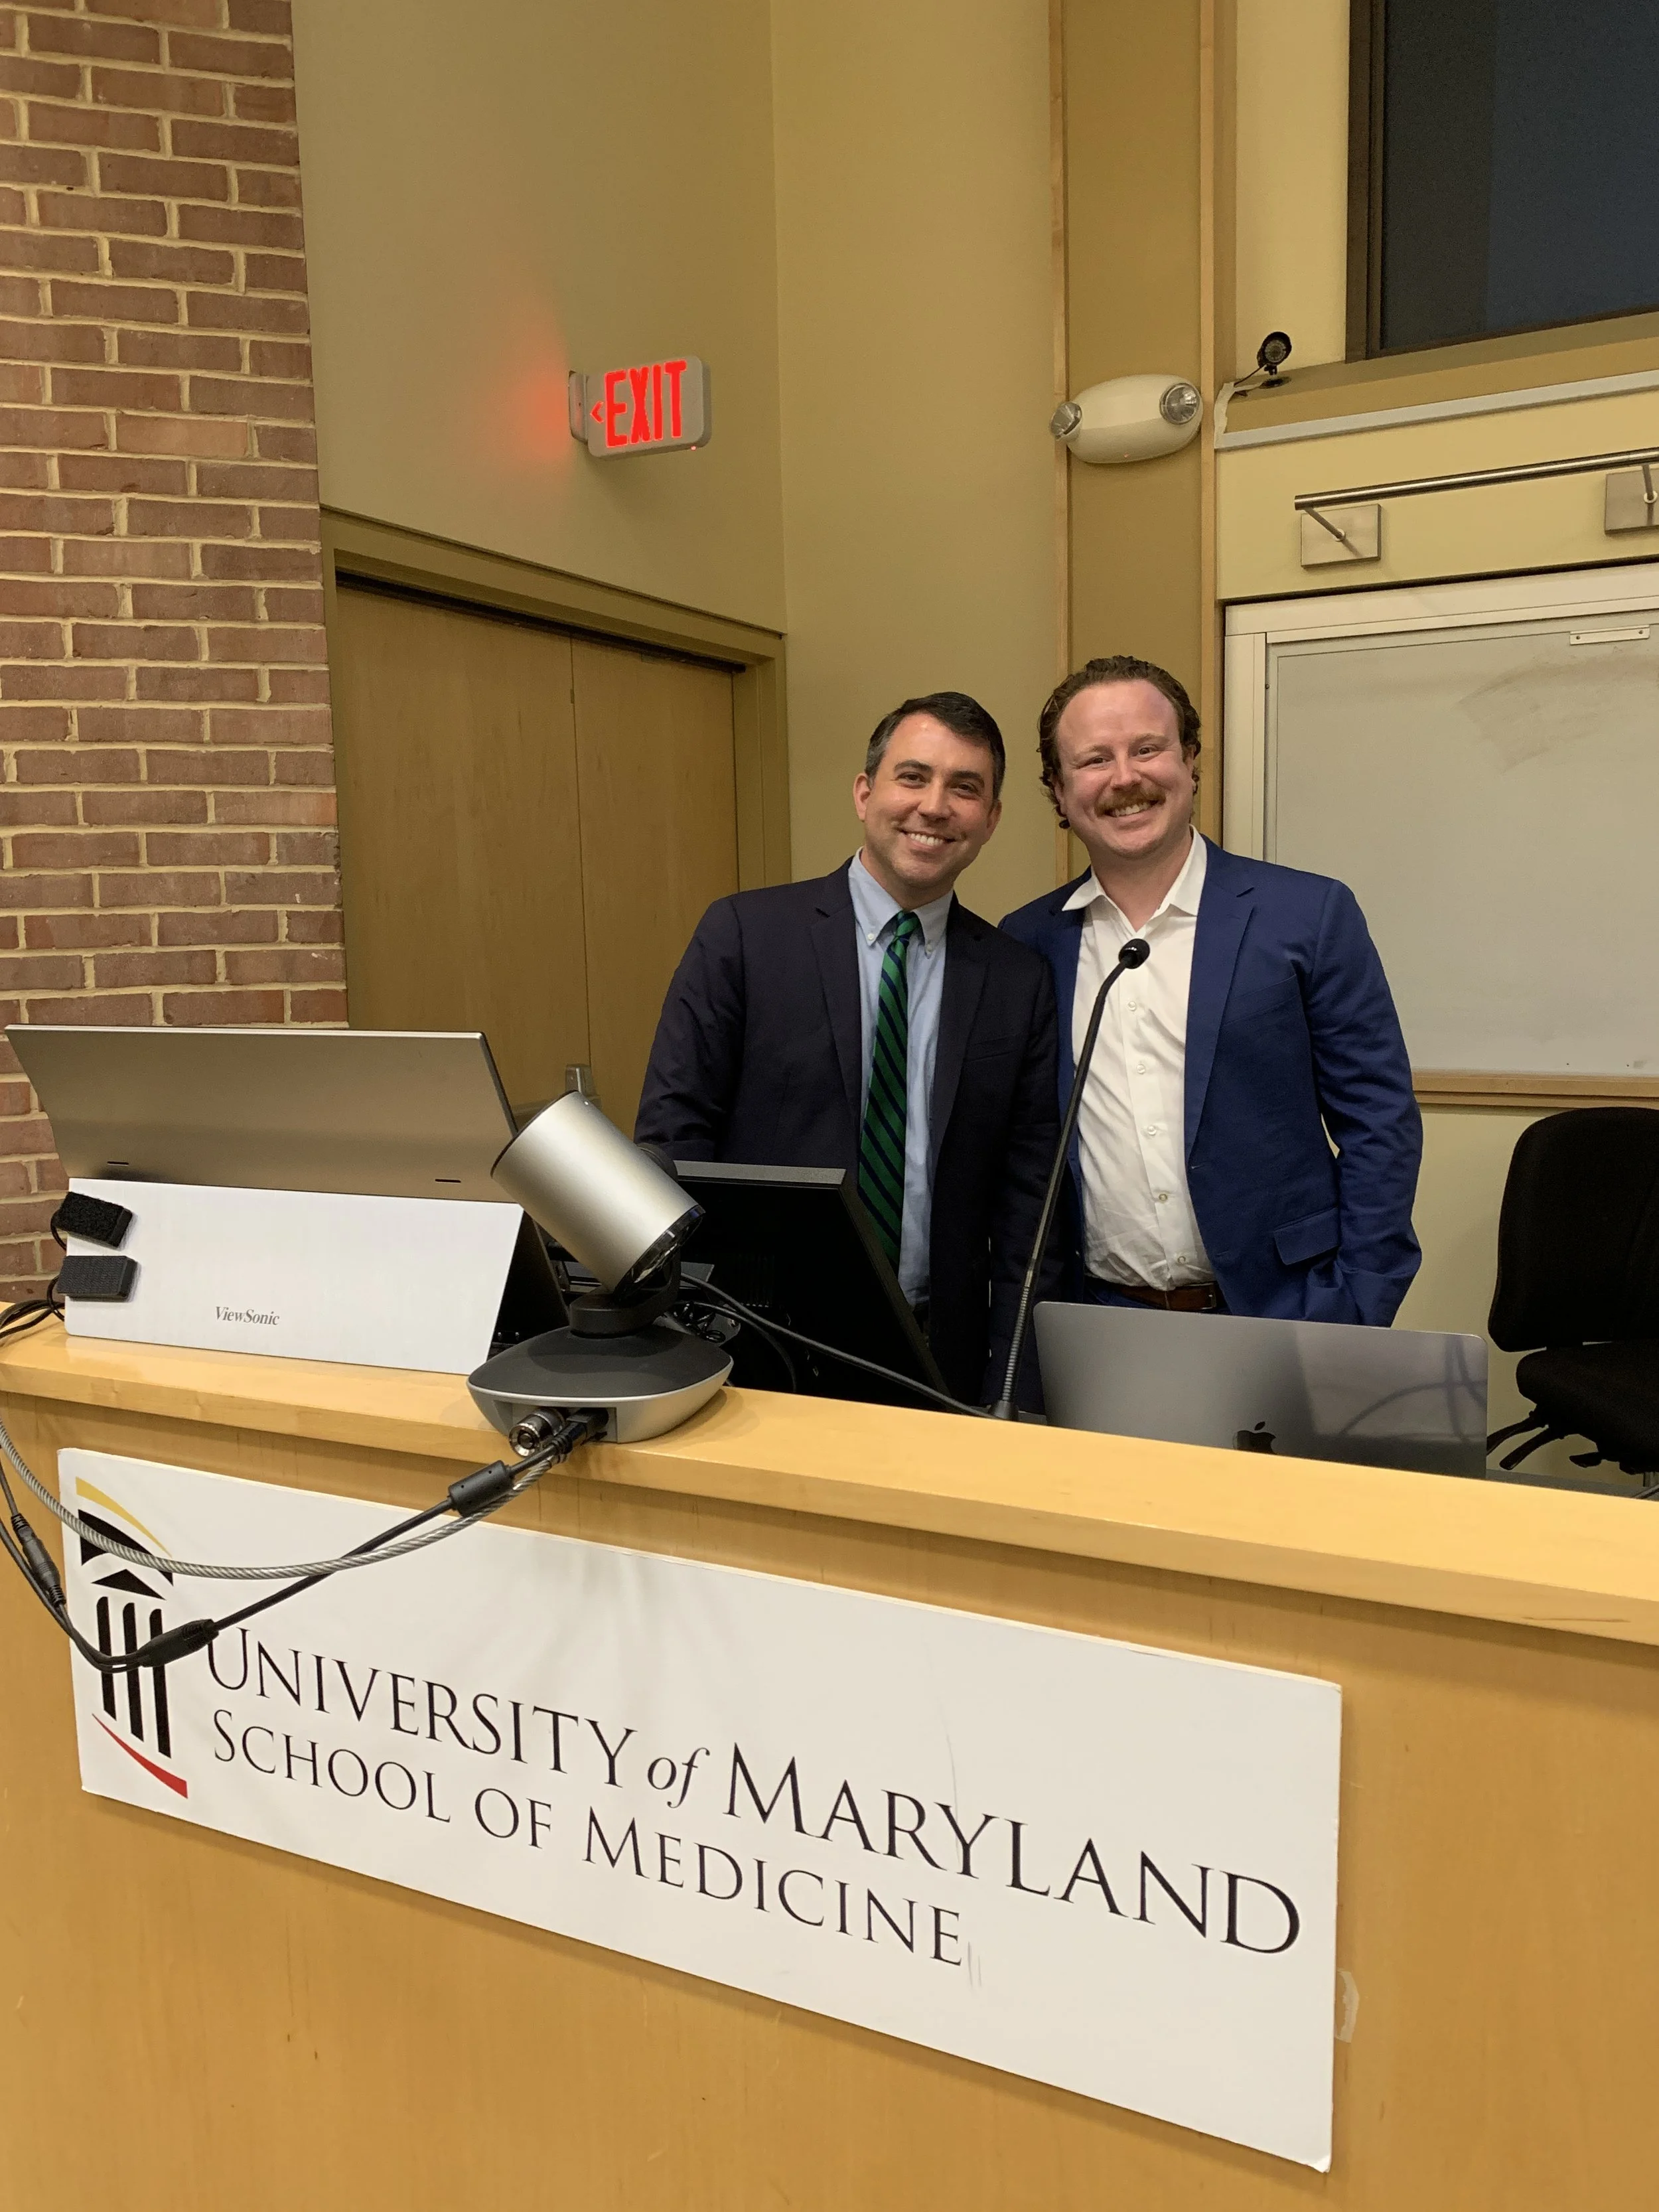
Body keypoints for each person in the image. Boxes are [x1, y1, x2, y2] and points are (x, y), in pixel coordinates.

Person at [636, 691, 1060, 1404]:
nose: (934, 806)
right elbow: (673, 1139)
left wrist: (1012, 1382)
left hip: (938, 1357)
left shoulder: (1016, 979)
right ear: (865, 793)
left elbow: (1030, 1204)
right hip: (758, 1348)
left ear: (989, 819)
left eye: (965, 788)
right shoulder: (745, 936)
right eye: (912, 776)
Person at [1000, 654, 1421, 1326]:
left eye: (1148, 749)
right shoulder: (1026, 944)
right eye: (1094, 760)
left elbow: (1379, 1121)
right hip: (1100, 1321)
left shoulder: (1307, 914)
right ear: (1057, 788)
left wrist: (1357, 1302)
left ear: (1191, 759)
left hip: (1288, 1314)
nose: (1125, 777)